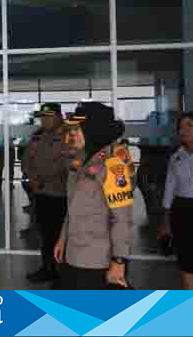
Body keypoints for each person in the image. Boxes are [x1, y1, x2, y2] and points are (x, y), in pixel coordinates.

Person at [54, 102, 134, 290]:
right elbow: (73, 206)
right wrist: (62, 238)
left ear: (93, 130)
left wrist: (119, 260)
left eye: (78, 128)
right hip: (74, 253)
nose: (72, 133)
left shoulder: (113, 165)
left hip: (98, 259)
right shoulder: (80, 160)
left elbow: (122, 219)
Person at [159, 112, 193, 289]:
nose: (184, 130)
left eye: (189, 125)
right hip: (182, 211)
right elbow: (169, 189)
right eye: (181, 127)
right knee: (187, 264)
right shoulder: (176, 156)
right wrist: (166, 222)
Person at [21, 103, 69, 283]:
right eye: (42, 117)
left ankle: (62, 275)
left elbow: (65, 163)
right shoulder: (38, 135)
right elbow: (26, 159)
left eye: (48, 117)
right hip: (40, 193)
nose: (45, 120)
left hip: (60, 194)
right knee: (45, 234)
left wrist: (42, 178)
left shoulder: (68, 135)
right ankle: (47, 268)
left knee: (61, 235)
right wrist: (32, 177)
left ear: (59, 116)